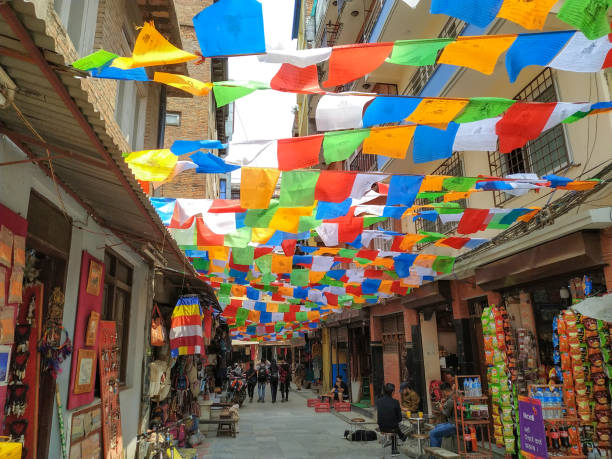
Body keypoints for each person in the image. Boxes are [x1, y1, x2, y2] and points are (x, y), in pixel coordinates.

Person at [376, 383, 407, 457]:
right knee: (394, 425)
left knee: (392, 423)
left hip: (381, 427)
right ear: (393, 392)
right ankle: (394, 448)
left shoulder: (378, 401)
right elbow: (399, 419)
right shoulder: (395, 402)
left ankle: (401, 437)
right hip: (393, 428)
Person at [429, 383, 457, 449]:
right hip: (452, 423)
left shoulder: (451, 400)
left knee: (433, 433)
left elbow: (446, 414)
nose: (442, 394)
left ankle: (434, 456)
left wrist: (441, 408)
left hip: (454, 425)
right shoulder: (452, 397)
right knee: (437, 426)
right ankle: (437, 450)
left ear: (444, 391)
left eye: (442, 392)